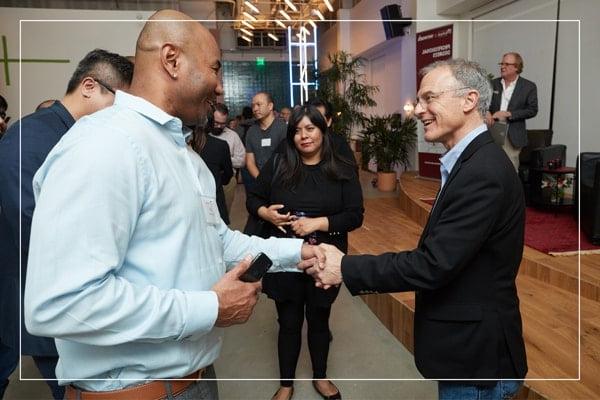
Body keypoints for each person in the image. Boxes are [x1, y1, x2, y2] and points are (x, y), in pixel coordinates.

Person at [23, 10, 321, 400]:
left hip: (193, 380)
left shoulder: (183, 156)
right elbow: (62, 303)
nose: (219, 86)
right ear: (171, 59)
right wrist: (210, 309)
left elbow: (218, 241)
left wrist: (300, 252)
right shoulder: (104, 145)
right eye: (215, 68)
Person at [301, 59, 527, 400]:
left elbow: (433, 264)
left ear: (468, 101)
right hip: (468, 354)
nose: (418, 110)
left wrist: (344, 266)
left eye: (429, 98)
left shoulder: (483, 171)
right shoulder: (471, 161)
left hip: (478, 362)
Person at [0, 49, 133, 400]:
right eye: (119, 103)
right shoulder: (31, 135)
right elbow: (27, 218)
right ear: (89, 86)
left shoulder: (82, 134)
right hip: (46, 296)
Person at [247, 105, 363, 400]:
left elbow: (355, 215)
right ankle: (286, 384)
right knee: (287, 322)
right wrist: (266, 214)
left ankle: (320, 377)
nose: (303, 136)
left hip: (324, 260)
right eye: (297, 130)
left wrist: (318, 222)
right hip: (285, 257)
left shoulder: (341, 169)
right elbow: (254, 197)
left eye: (310, 128)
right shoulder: (280, 163)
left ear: (323, 131)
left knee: (319, 319)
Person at [486, 52, 538, 170]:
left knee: (510, 168)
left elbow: (532, 110)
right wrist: (486, 112)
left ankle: (510, 189)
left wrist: (509, 114)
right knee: (491, 165)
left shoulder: (528, 86)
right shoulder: (493, 83)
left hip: (513, 132)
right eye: (501, 63)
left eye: (507, 64)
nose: (502, 66)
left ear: (517, 67)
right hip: (493, 128)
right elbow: (484, 103)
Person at [191, 125, 234, 224]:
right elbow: (228, 175)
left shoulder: (182, 146)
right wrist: (218, 179)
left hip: (191, 203)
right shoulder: (220, 145)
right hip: (214, 200)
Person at [209, 103, 246, 215]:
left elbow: (242, 160)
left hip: (226, 183)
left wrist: (225, 160)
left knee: (223, 216)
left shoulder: (232, 136)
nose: (219, 126)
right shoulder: (202, 134)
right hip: (205, 182)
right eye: (216, 123)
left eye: (222, 124)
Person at [245, 92, 287, 182]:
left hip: (282, 180)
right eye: (253, 106)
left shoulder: (283, 128)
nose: (255, 109)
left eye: (259, 105)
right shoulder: (251, 131)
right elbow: (250, 162)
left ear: (270, 106)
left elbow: (288, 159)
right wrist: (262, 181)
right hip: (259, 181)